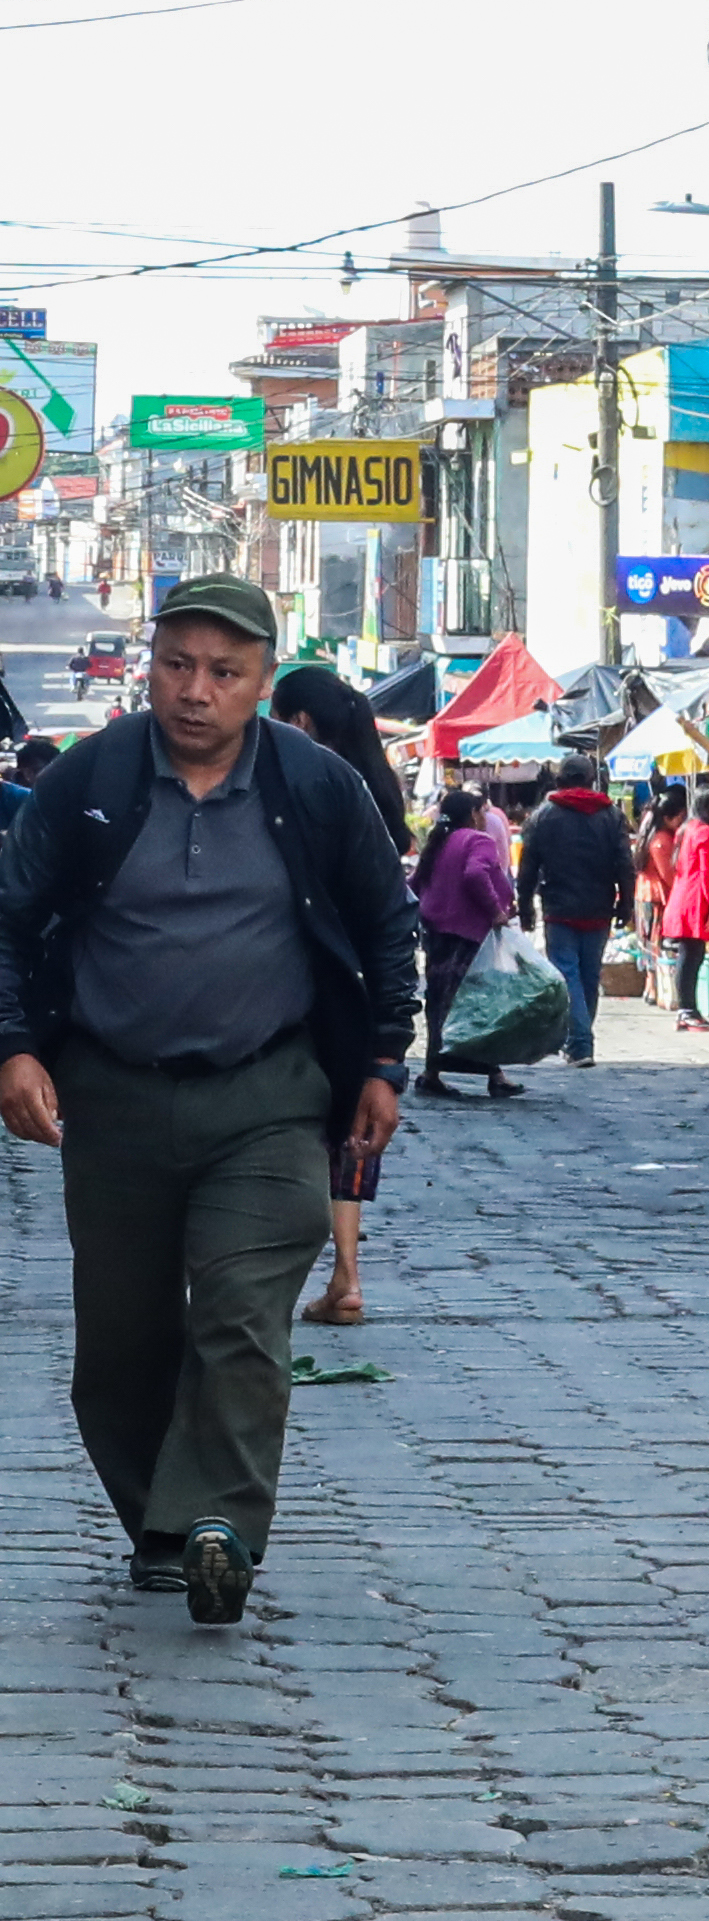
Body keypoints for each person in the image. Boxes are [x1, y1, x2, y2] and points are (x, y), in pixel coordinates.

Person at [0, 575, 417, 1623]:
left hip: (269, 1091)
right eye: (177, 665)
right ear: (150, 667)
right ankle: (159, 1525)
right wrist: (14, 1050)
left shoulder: (318, 788)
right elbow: (9, 921)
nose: (196, 691)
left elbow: (385, 926)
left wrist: (381, 1060)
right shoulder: (90, 781)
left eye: (224, 672)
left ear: (263, 684)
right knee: (123, 1340)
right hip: (113, 1092)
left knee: (240, 1306)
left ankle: (218, 1524)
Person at [268, 666, 414, 1333]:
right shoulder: (379, 790)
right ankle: (347, 1277)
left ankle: (282, 1274)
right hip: (362, 992)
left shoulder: (305, 785)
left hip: (308, 985)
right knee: (349, 1134)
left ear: (298, 722)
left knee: (289, 1130)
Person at [409, 785, 520, 1103]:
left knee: (440, 1001)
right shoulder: (477, 840)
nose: (485, 817)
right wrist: (496, 912)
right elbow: (474, 875)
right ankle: (494, 1074)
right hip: (469, 935)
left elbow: (414, 884)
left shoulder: (439, 842)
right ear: (472, 814)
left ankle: (433, 1071)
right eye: (481, 811)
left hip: (437, 936)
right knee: (479, 1004)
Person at [516, 774, 631, 1068]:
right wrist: (625, 904)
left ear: (559, 780)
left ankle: (579, 1043)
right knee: (589, 975)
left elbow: (528, 866)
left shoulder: (544, 815)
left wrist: (525, 906)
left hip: (559, 907)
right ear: (592, 781)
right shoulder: (611, 814)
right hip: (599, 908)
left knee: (568, 974)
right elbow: (625, 864)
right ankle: (579, 1038)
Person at [648, 797, 709, 1035]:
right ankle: (687, 1010)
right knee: (691, 954)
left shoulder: (689, 829)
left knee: (690, 954)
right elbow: (708, 873)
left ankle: (687, 1010)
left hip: (685, 897)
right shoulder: (705, 833)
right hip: (696, 901)